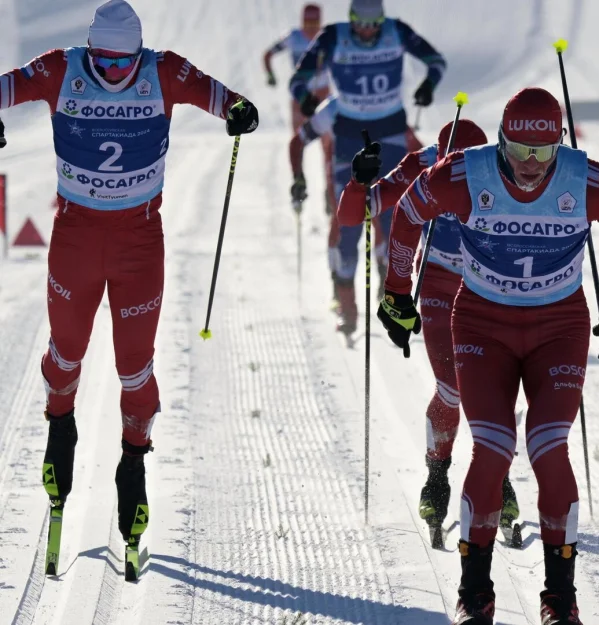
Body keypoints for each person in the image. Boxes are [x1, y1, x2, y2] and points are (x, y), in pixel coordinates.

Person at [0, 0, 258, 577]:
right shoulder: (59, 69)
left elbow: (226, 98)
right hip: (75, 237)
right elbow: (5, 87)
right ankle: (60, 424)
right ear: (90, 51)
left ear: (139, 55)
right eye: (105, 64)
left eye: (125, 65)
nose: (115, 75)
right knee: (66, 353)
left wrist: (241, 112)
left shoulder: (162, 71)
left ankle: (133, 461)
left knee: (134, 365)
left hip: (140, 241)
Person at [374, 87, 599, 624]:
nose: (530, 165)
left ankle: (561, 601)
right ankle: (475, 594)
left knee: (548, 445)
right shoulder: (463, 174)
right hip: (483, 325)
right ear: (500, 140)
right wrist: (396, 292)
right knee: (493, 447)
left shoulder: (585, 179)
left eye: (543, 153)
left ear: (559, 146)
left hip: (557, 330)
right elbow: (406, 214)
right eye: (519, 149)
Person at [336, 119, 521, 541]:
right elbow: (353, 215)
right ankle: (437, 478)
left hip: (488, 289)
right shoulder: (421, 167)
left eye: (466, 166)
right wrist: (358, 181)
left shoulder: (505, 169)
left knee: (494, 387)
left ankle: (500, 477)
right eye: (447, 163)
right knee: (453, 388)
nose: (455, 174)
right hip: (438, 285)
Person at [289, 0, 446, 335]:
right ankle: (347, 306)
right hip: (348, 138)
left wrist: (428, 85)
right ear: (351, 20)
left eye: (375, 25)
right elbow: (298, 78)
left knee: (393, 221)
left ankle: (389, 296)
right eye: (361, 24)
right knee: (348, 224)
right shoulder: (334, 37)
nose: (368, 32)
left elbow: (436, 61)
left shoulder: (396, 31)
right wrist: (304, 97)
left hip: (390, 135)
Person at [264, 3, 334, 213]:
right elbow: (267, 54)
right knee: (298, 141)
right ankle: (298, 182)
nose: (311, 27)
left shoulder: (325, 37)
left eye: (315, 22)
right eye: (308, 22)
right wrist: (270, 74)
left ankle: (330, 190)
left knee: (329, 145)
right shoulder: (293, 37)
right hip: (301, 98)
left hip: (323, 94)